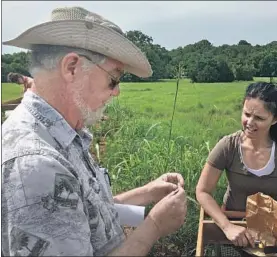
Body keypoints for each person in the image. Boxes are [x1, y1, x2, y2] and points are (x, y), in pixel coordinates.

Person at [2, 6, 187, 256]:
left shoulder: (63, 134)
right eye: (114, 79)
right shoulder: (36, 166)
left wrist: (147, 192)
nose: (117, 91)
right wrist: (154, 226)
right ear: (72, 68)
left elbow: (85, 213)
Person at [196, 80, 277, 256]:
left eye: (259, 118)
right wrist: (227, 226)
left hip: (272, 231)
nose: (249, 122)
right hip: (234, 229)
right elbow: (203, 191)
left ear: (275, 119)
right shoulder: (228, 146)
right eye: (246, 114)